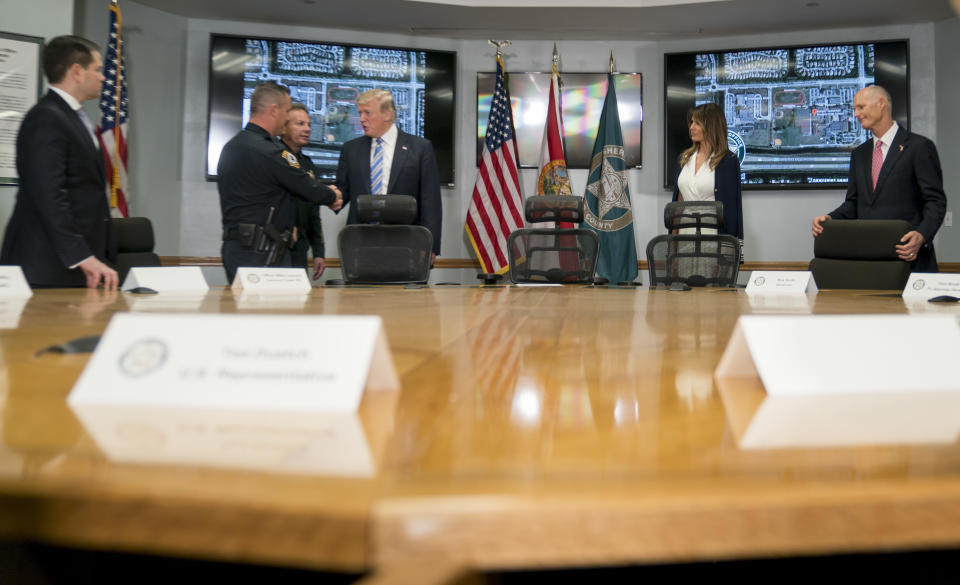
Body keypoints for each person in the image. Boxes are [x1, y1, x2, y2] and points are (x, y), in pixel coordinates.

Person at [0, 35, 117, 289]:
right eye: (97, 69)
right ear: (77, 71)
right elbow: (49, 194)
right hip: (47, 265)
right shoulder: (46, 118)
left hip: (76, 263)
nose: (102, 77)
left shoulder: (70, 117)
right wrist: (81, 255)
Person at [812, 85, 946, 272]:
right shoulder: (860, 154)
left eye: (861, 107)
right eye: (855, 109)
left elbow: (935, 201)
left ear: (881, 104)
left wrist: (922, 235)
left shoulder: (919, 147)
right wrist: (830, 218)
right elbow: (853, 204)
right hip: (871, 263)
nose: (856, 114)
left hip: (910, 260)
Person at [218, 81, 342, 283]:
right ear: (274, 110)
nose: (286, 119)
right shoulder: (271, 152)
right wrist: (332, 195)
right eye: (286, 112)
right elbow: (306, 187)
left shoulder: (231, 147)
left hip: (235, 248)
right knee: (276, 312)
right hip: (263, 251)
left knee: (243, 312)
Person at [335, 89, 442, 262]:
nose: (361, 119)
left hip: (407, 246)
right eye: (360, 113)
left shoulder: (420, 148)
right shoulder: (351, 149)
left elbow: (431, 202)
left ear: (387, 114)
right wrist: (331, 196)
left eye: (367, 113)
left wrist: (431, 245)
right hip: (361, 247)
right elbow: (343, 191)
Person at [671, 102, 743, 243]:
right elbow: (678, 203)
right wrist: (672, 242)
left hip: (713, 238)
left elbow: (732, 211)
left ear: (711, 126)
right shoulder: (684, 158)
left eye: (697, 123)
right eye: (691, 122)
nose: (691, 127)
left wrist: (728, 252)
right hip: (684, 235)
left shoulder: (727, 161)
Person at [279, 103, 326, 280]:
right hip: (277, 244)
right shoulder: (274, 158)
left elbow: (313, 212)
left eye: (308, 124)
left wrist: (318, 252)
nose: (306, 129)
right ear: (283, 127)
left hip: (300, 246)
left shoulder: (307, 164)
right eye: (299, 124)